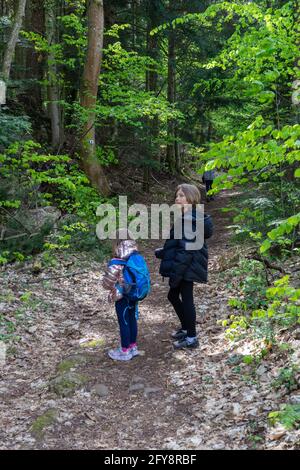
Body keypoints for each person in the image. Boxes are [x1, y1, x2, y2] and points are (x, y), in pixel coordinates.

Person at [155, 184, 213, 349]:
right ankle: (187, 329)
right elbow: (180, 245)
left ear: (190, 198)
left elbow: (186, 251)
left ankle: (191, 338)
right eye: (177, 195)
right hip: (187, 264)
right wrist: (163, 252)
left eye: (181, 195)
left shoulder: (189, 219)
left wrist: (176, 274)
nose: (177, 198)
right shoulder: (188, 217)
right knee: (173, 296)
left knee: (186, 299)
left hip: (187, 266)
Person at [102, 229, 150, 361]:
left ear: (117, 242)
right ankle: (133, 346)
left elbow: (107, 283)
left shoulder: (118, 260)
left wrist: (110, 284)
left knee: (123, 321)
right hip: (134, 293)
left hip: (122, 295)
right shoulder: (136, 256)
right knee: (132, 319)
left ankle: (124, 351)